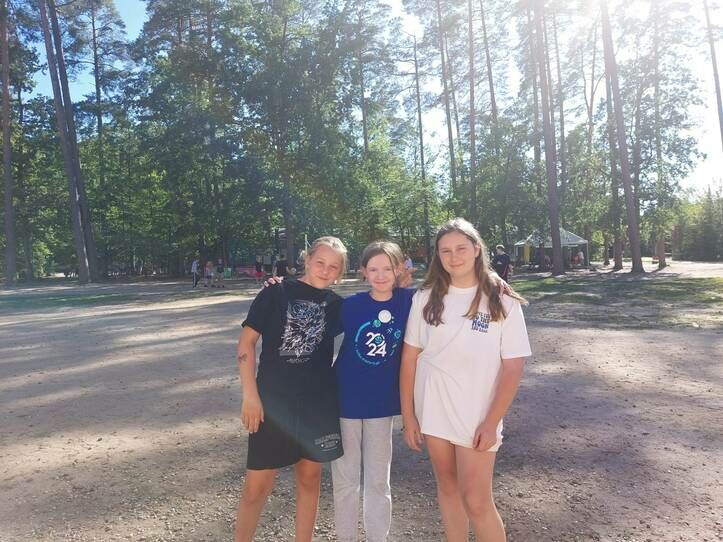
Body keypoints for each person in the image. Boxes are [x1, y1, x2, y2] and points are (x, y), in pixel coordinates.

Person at [400, 218, 531, 542]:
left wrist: (492, 422)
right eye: (445, 250)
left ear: (476, 249)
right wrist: (409, 415)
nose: (453, 256)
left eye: (461, 248)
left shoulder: (502, 299)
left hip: (477, 414)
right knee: (447, 488)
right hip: (433, 408)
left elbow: (513, 367)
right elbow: (409, 359)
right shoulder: (425, 297)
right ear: (437, 255)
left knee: (477, 501)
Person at [234, 236, 348, 542]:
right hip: (273, 404)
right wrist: (250, 396)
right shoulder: (276, 292)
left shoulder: (337, 305)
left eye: (333, 266)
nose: (325, 270)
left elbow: (378, 308)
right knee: (256, 488)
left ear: (340, 272)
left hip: (317, 406)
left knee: (310, 480)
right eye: (320, 262)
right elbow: (246, 345)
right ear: (307, 259)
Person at [331, 241, 415, 542]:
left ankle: (378, 537)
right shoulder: (350, 305)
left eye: (388, 268)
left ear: (399, 269)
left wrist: (493, 278)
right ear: (363, 271)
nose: (381, 275)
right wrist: (279, 287)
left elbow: (450, 289)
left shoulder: (410, 301)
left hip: (381, 406)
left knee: (379, 481)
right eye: (374, 269)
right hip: (345, 403)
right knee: (345, 480)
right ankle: (346, 537)